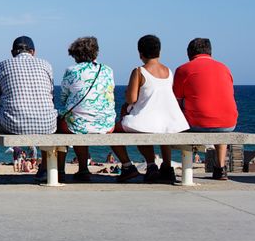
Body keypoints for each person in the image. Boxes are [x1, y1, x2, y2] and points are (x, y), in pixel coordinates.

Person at [109, 35, 190, 183]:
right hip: (169, 121)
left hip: (145, 120)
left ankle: (131, 166)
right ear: (159, 52)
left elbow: (131, 99)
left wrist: (128, 93)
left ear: (140, 53)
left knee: (110, 130)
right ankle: (166, 167)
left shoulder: (139, 71)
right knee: (161, 131)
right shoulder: (168, 71)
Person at [0, 36, 57, 182]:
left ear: (12, 52)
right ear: (33, 51)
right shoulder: (46, 65)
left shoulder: (2, 65)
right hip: (47, 124)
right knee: (48, 119)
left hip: (13, 124)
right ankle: (45, 169)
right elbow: (51, 97)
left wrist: (1, 111)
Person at [173, 37, 238, 180]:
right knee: (219, 117)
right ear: (210, 52)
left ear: (189, 53)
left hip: (197, 124)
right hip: (228, 124)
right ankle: (220, 168)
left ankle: (172, 166)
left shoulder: (183, 69)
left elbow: (176, 101)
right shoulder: (224, 68)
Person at [56, 36, 116, 183]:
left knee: (61, 124)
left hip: (79, 124)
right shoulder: (107, 70)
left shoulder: (71, 71)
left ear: (76, 55)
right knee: (82, 120)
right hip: (107, 124)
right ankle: (83, 169)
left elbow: (63, 98)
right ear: (95, 53)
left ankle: (60, 170)